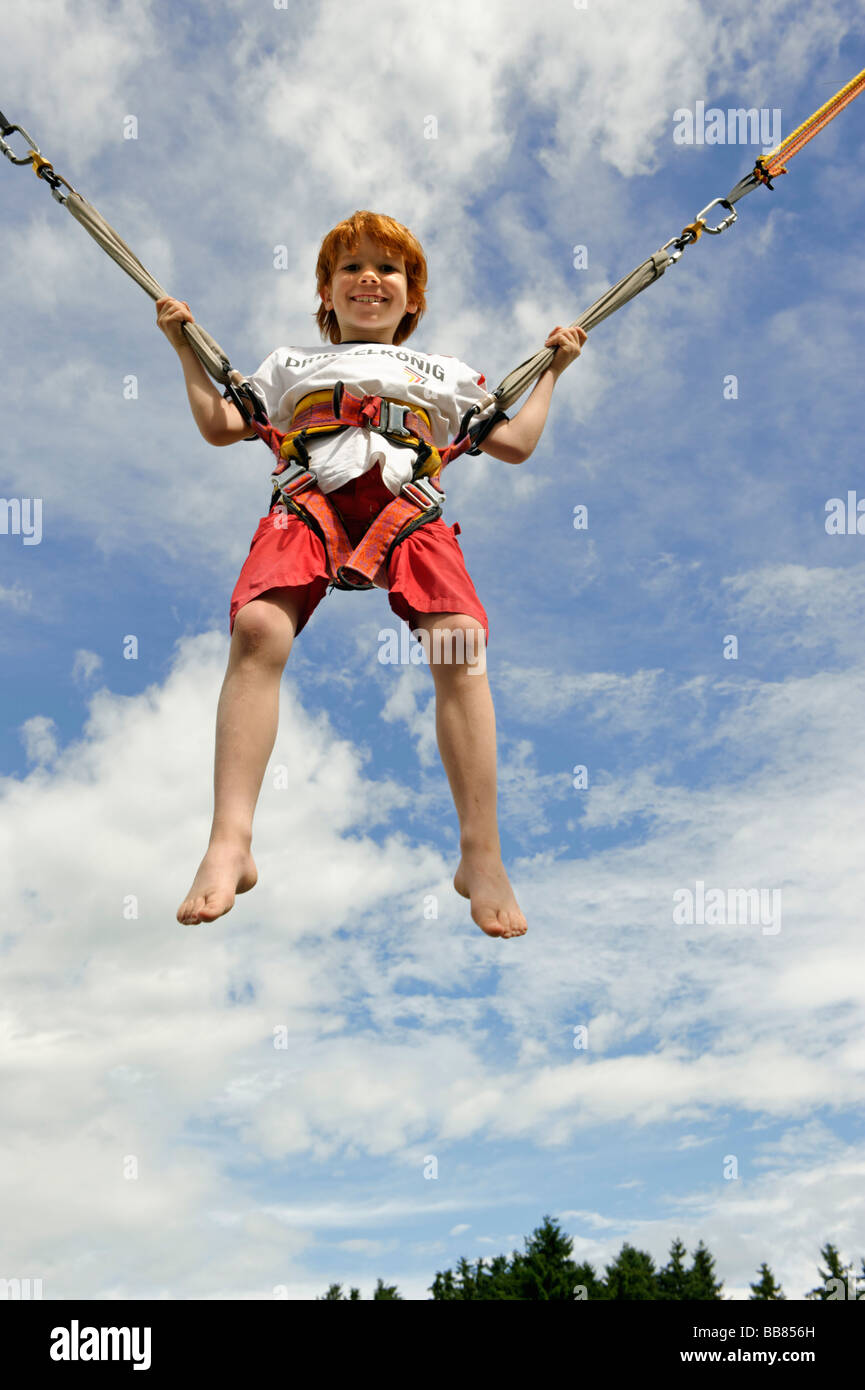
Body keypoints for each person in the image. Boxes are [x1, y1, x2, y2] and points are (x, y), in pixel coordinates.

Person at [158, 210, 586, 939]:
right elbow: (223, 424)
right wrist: (183, 348)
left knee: (459, 642)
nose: (369, 278)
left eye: (388, 269)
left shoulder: (444, 372)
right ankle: (230, 841)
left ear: (412, 298)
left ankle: (480, 853)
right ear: (324, 292)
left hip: (408, 509)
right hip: (308, 502)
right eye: (350, 266)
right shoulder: (290, 364)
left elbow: (511, 441)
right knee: (258, 629)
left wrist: (550, 373)